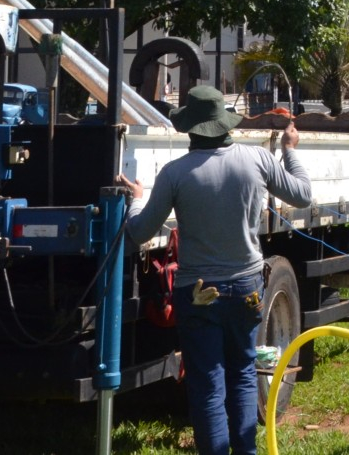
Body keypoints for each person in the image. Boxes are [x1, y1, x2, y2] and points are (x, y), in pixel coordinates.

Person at [118, 86, 313, 455]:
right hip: (248, 289)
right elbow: (302, 194)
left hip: (198, 293)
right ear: (226, 123)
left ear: (189, 128)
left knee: (208, 384)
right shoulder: (257, 159)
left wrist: (136, 200)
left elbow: (139, 233)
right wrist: (289, 150)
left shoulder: (175, 173)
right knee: (243, 374)